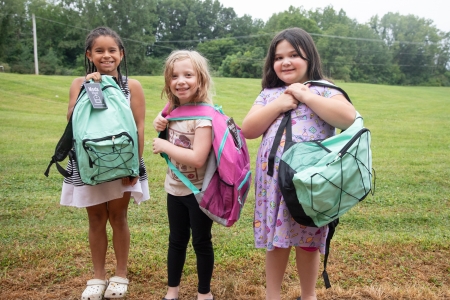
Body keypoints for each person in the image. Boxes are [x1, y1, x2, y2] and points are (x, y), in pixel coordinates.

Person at [241, 27, 356, 300]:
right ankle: (273, 295)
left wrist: (305, 96)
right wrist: (280, 104)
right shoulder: (269, 94)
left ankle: (309, 295)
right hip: (273, 181)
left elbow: (347, 118)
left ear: (309, 57)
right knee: (276, 241)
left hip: (310, 182)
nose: (285, 62)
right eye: (278, 57)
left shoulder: (325, 90)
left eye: (294, 54)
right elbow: (249, 129)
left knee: (309, 240)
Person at [60, 26, 150, 300]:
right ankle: (98, 276)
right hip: (90, 162)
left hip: (123, 163)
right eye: (99, 50)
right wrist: (91, 87)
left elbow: (140, 126)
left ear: (121, 54)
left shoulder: (131, 86)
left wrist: (134, 166)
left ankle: (120, 274)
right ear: (89, 54)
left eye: (112, 50)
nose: (106, 55)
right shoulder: (79, 83)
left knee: (119, 217)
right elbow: (72, 120)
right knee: (96, 218)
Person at [152, 50, 215, 300]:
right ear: (168, 81)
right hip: (174, 189)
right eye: (174, 76)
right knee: (176, 241)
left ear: (200, 79)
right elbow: (164, 124)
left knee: (201, 242)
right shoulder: (173, 109)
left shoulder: (204, 116)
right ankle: (172, 291)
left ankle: (204, 293)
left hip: (199, 192)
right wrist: (160, 121)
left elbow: (198, 157)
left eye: (188, 75)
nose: (181, 81)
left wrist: (165, 146)